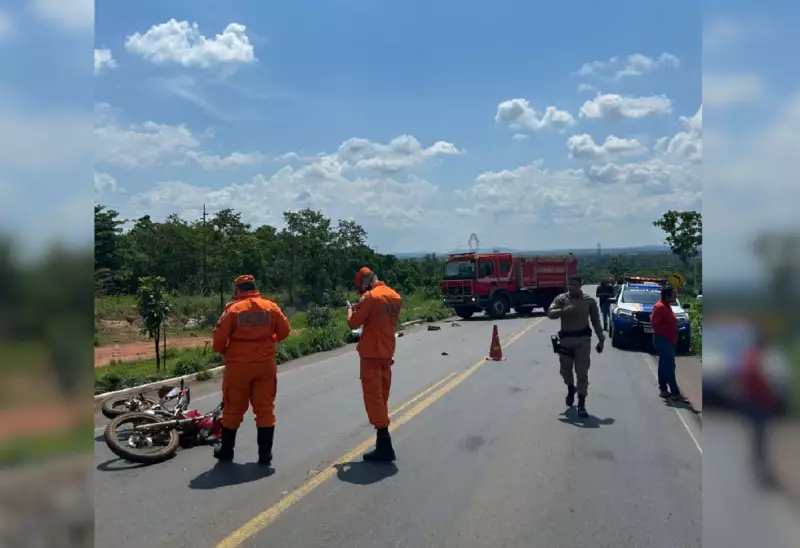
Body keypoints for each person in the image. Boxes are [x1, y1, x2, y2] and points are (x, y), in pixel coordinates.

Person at [211, 274, 291, 465]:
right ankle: (265, 455)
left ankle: (227, 451)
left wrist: (227, 352)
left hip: (238, 367)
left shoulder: (233, 310)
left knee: (233, 408)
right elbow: (285, 331)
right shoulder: (270, 307)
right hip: (265, 365)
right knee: (265, 409)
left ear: (238, 290)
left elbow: (218, 342)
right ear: (255, 288)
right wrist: (270, 341)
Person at [346, 267, 403, 462]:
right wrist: (362, 305)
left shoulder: (370, 297)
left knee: (373, 398)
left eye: (360, 287)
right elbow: (380, 318)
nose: (360, 292)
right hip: (387, 351)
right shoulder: (394, 296)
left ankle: (385, 445)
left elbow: (354, 323)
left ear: (365, 281)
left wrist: (350, 310)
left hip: (371, 353)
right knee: (382, 396)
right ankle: (381, 443)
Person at [547, 275, 605, 418]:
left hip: (583, 340)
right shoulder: (561, 299)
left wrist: (601, 338)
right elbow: (550, 314)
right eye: (569, 285)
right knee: (565, 370)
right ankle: (570, 387)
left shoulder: (589, 301)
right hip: (566, 340)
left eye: (574, 285)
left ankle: (581, 404)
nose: (571, 287)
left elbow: (595, 320)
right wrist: (564, 310)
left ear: (580, 285)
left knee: (582, 372)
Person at [650, 285, 684, 401]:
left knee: (664, 365)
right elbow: (654, 324)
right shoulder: (660, 307)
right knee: (669, 366)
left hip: (668, 340)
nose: (675, 296)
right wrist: (669, 328)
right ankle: (675, 392)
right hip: (663, 339)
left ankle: (663, 389)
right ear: (667, 295)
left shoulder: (667, 306)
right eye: (674, 294)